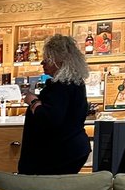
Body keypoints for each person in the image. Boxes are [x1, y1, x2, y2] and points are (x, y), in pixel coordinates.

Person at [18, 34, 91, 175]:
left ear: (61, 61)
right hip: (72, 149)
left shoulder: (60, 86)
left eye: (47, 59)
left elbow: (49, 118)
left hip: (58, 154)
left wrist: (33, 101)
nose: (42, 63)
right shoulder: (75, 82)